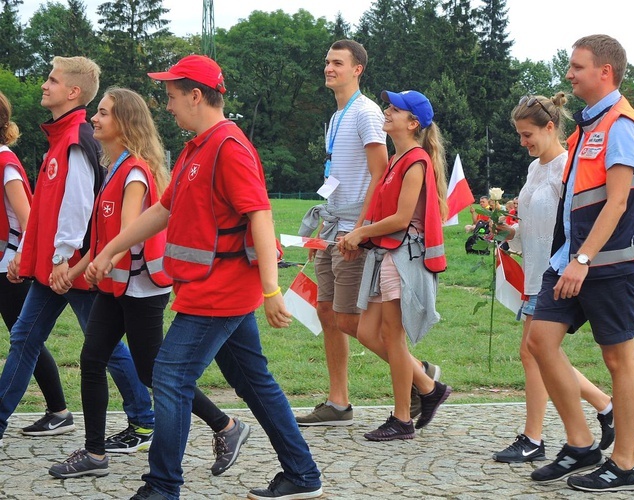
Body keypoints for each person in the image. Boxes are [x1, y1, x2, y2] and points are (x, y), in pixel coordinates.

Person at [88, 54, 322, 500]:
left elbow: (260, 215)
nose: (168, 105)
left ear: (197, 96)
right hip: (209, 287)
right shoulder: (198, 146)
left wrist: (273, 290)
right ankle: (303, 475)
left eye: (173, 97)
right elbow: (162, 210)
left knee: (170, 378)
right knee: (254, 380)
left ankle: (162, 487)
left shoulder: (229, 147)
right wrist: (112, 249)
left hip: (222, 291)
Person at [47, 88, 247, 479]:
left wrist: (102, 263)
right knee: (93, 360)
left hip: (141, 289)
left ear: (124, 122)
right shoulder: (114, 167)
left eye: (103, 113)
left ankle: (227, 426)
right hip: (116, 286)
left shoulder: (135, 171)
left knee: (153, 373)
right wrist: (75, 271)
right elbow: (107, 240)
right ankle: (95, 453)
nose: (95, 119)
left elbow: (128, 234)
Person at [0, 56, 154, 448]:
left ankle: (145, 417)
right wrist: (26, 254)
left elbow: (78, 206)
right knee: (25, 338)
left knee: (101, 347)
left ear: (72, 92)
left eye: (51, 80)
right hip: (56, 266)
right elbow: (45, 209)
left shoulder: (75, 140)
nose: (43, 85)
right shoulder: (62, 138)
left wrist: (61, 260)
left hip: (72, 268)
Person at [526, 35, 634, 492]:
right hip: (573, 259)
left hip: (607, 262)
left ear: (605, 72)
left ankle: (624, 464)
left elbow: (617, 204)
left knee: (619, 359)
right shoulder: (587, 127)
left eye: (577, 67)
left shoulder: (621, 124)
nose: (569, 74)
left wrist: (582, 259)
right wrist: (570, 257)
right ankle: (581, 444)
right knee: (540, 341)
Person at [297, 39, 440, 426]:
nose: (329, 68)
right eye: (327, 61)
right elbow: (338, 178)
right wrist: (324, 230)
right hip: (335, 227)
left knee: (349, 319)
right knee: (328, 312)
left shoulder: (366, 113)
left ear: (357, 69)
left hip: (356, 232)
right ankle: (338, 402)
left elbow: (380, 174)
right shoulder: (337, 116)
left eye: (337, 63)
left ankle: (421, 377)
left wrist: (359, 230)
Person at [490, 93, 614, 464]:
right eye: (519, 135)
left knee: (534, 353)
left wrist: (576, 263)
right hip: (532, 270)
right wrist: (506, 232)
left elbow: (574, 225)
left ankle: (533, 437)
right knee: (542, 353)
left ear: (550, 127)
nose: (523, 142)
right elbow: (533, 226)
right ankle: (605, 406)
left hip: (555, 272)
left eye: (528, 134)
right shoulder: (534, 169)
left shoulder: (566, 168)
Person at [339, 89, 452, 440]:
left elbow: (402, 219)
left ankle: (402, 419)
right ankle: (427, 387)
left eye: (394, 109)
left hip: (402, 257)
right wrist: (364, 237)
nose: (386, 111)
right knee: (369, 333)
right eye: (388, 107)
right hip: (386, 255)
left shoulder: (415, 160)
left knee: (393, 337)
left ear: (413, 123)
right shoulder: (396, 160)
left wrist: (360, 233)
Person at [1, 91, 68, 449]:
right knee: (24, 339)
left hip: (8, 267)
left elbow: (28, 219)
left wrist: (18, 257)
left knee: (24, 340)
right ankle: (58, 411)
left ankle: (59, 411)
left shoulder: (5, 162)